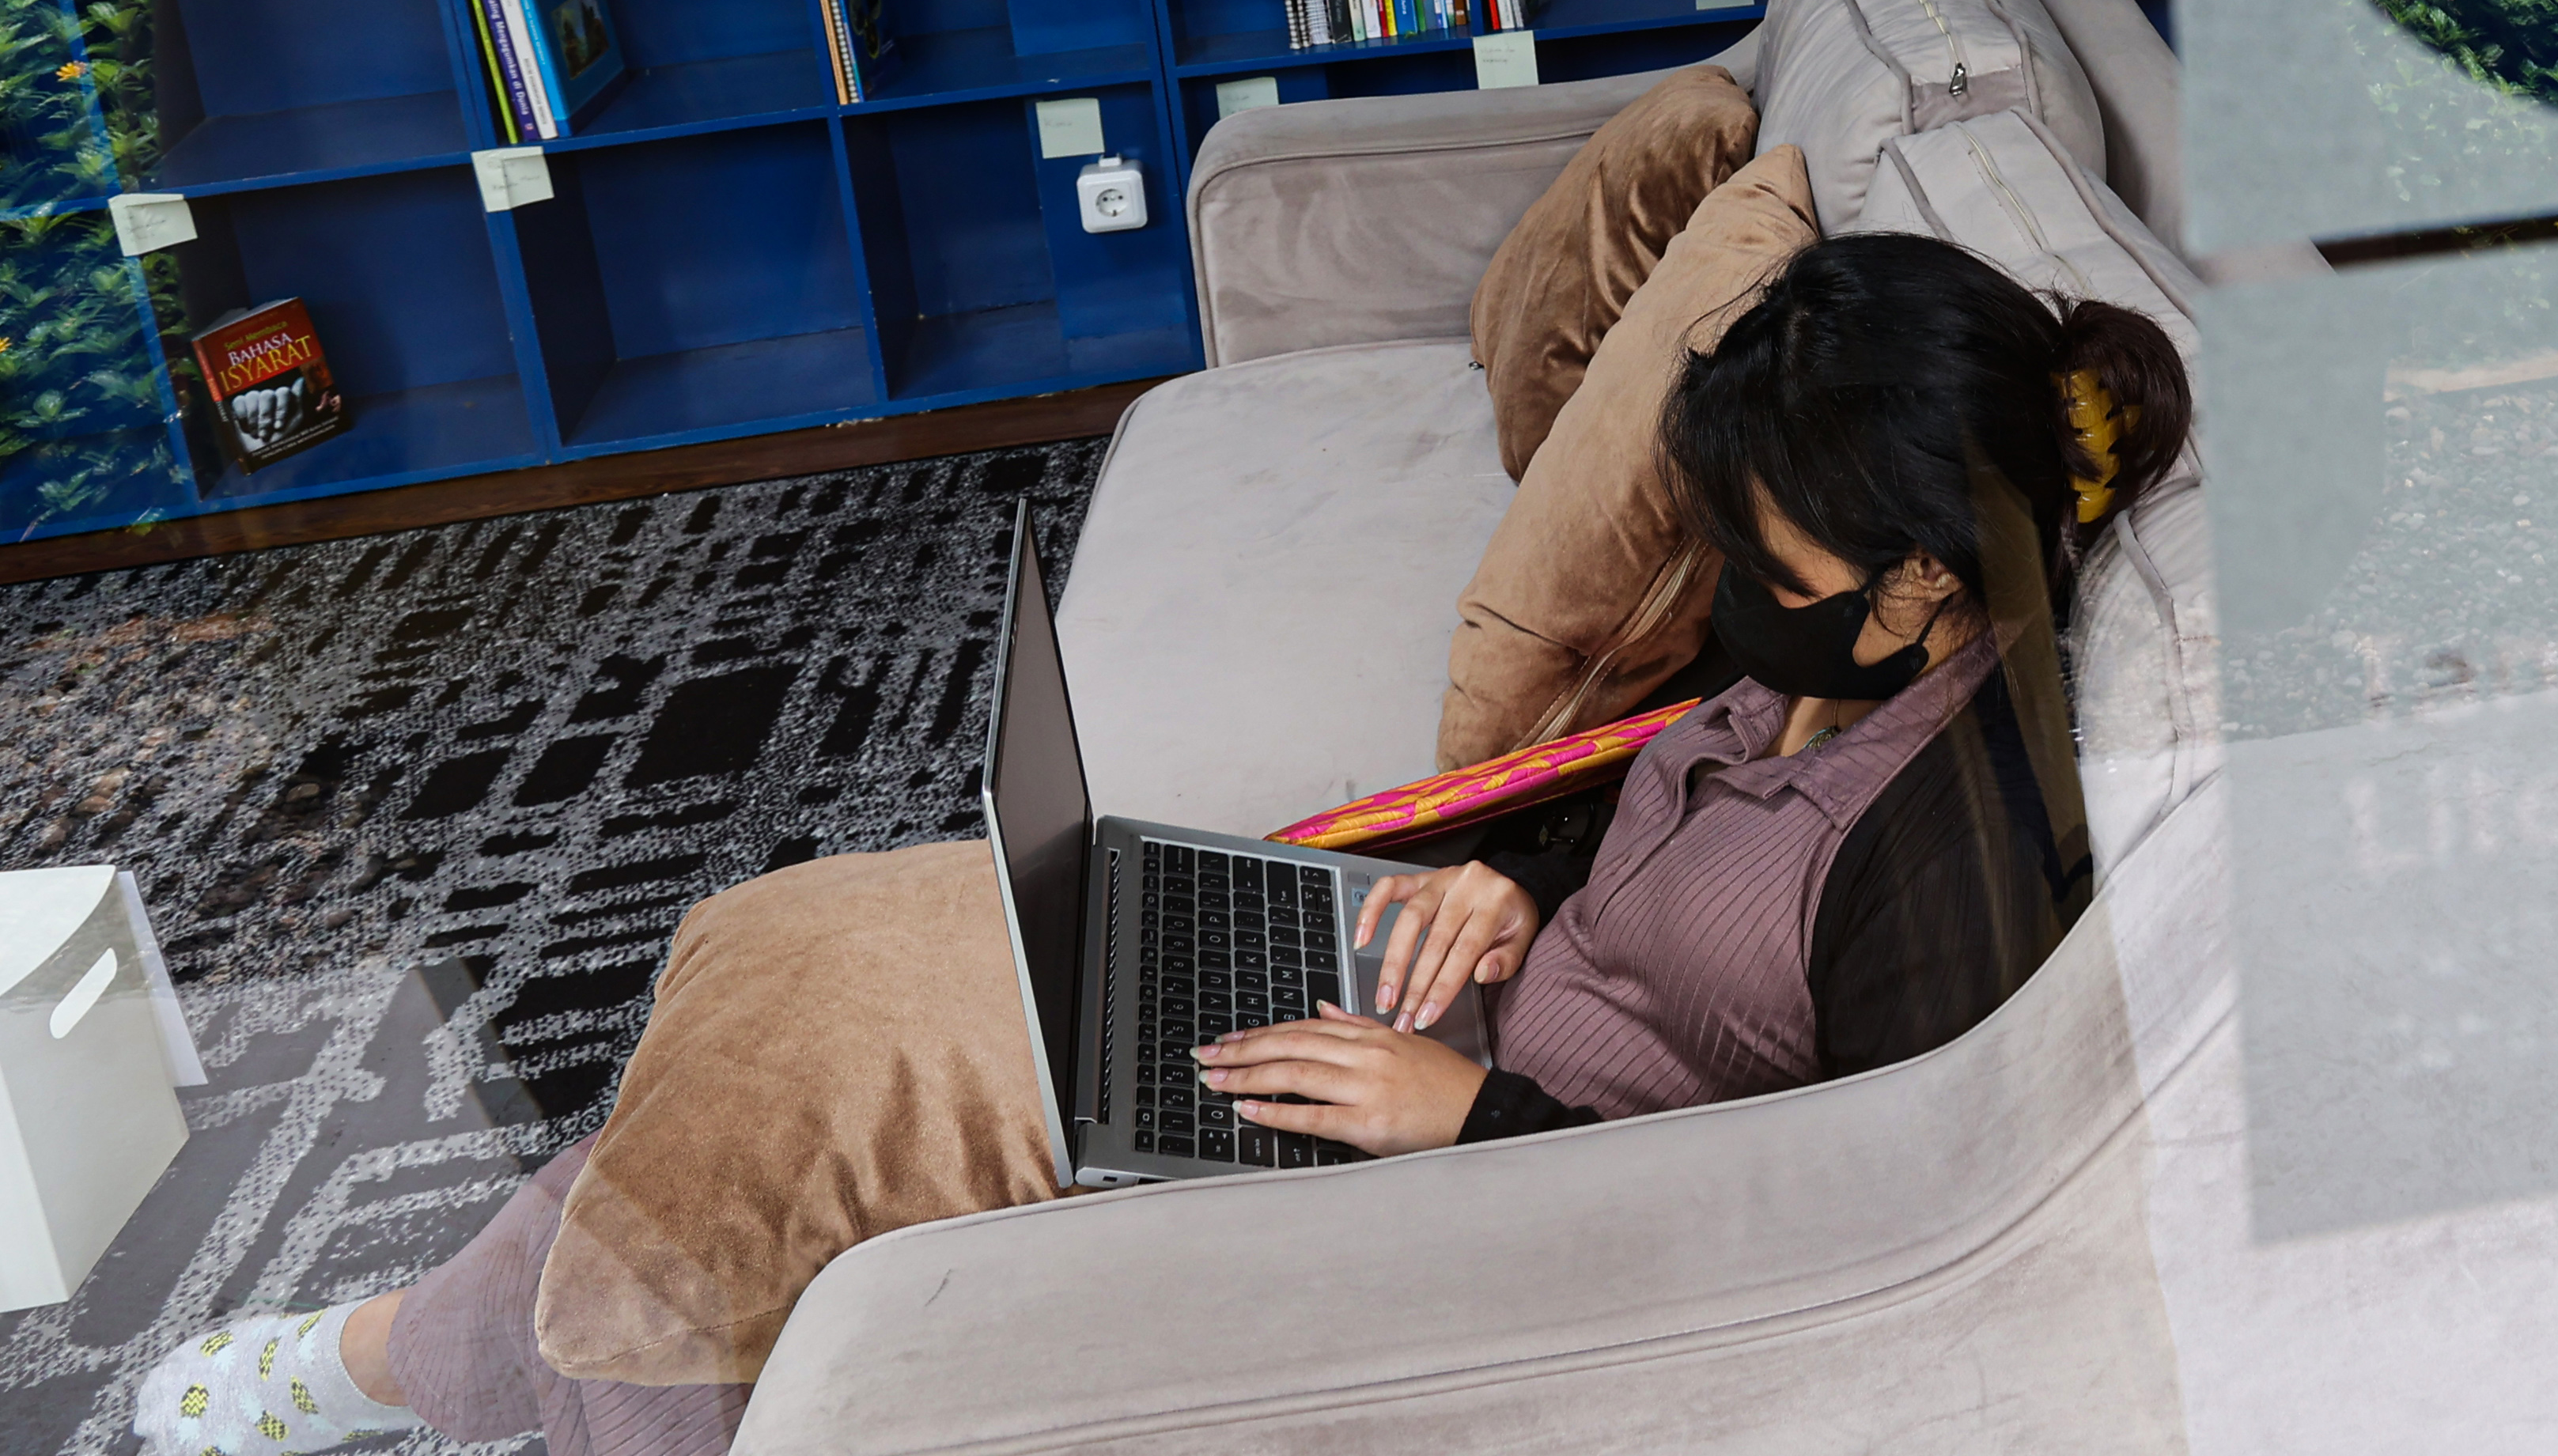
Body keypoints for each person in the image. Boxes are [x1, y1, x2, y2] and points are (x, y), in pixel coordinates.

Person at [131, 236, 2189, 1456]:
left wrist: (1471, 1123)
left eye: (1772, 559)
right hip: (1425, 994)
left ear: (1928, 583)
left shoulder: (1971, 850)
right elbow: (1681, 810)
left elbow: (1839, 1237)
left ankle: (413, 1360)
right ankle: (427, 1355)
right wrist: (1522, 883)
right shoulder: (1847, 654)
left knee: (799, 1117)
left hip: (1480, 1174)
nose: (1732, 589)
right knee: (790, 968)